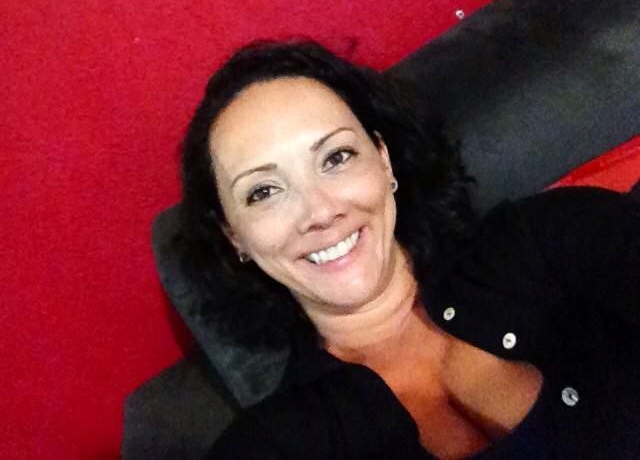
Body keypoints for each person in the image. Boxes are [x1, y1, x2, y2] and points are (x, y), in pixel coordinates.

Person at [178, 40, 640, 459]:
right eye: (263, 192)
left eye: (336, 158)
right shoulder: (279, 443)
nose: (319, 212)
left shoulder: (546, 238)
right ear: (234, 236)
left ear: (383, 160)